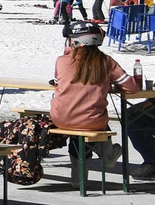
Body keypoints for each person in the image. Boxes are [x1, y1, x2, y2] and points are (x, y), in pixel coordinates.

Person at [50, 22, 132, 169]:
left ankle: (79, 176)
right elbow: (132, 88)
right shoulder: (106, 61)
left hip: (60, 119)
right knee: (92, 119)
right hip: (92, 122)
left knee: (80, 121)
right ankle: (108, 156)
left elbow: (58, 82)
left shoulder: (61, 60)